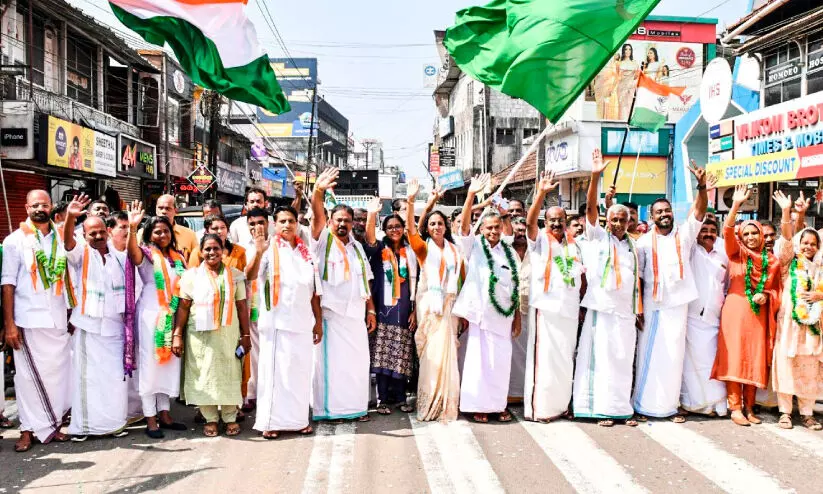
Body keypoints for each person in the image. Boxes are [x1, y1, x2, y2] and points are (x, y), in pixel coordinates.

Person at [632, 161, 708, 422]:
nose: (664, 214)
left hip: (678, 306)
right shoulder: (642, 243)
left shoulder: (684, 235)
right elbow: (638, 279)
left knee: (674, 358)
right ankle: (643, 405)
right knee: (649, 355)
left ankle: (670, 406)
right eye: (659, 212)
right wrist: (638, 308)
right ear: (651, 217)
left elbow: (699, 212)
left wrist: (702, 186)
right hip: (653, 307)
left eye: (667, 210)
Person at [573, 150, 642, 427]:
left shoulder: (634, 245)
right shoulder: (599, 238)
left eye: (622, 220)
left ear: (629, 222)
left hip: (625, 313)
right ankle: (600, 409)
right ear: (607, 221)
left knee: (623, 361)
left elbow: (638, 281)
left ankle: (620, 409)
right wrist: (595, 176)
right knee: (601, 361)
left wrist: (638, 309)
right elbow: (591, 209)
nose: (618, 223)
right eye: (613, 219)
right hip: (602, 310)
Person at [2, 190, 72, 452]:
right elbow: (7, 284)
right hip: (28, 319)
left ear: (51, 206)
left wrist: (70, 314)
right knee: (26, 378)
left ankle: (51, 427)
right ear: (26, 207)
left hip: (56, 318)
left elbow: (68, 279)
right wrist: (9, 324)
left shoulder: (62, 238)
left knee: (56, 375)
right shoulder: (15, 240)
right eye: (35, 205)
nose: (40, 208)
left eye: (44, 204)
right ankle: (27, 430)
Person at [712, 186, 784, 427]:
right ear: (741, 238)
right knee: (735, 358)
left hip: (758, 314)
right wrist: (735, 205)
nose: (752, 237)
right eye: (747, 234)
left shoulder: (771, 261)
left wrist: (766, 293)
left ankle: (750, 407)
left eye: (756, 233)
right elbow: (728, 229)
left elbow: (777, 289)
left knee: (754, 357)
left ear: (762, 236)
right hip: (735, 311)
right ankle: (735, 407)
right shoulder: (735, 253)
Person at [453, 173, 522, 423]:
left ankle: (498, 405)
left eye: (497, 228)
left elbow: (513, 287)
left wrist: (516, 319)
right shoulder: (474, 247)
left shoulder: (509, 253)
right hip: (481, 317)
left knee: (501, 364)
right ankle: (477, 406)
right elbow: (463, 227)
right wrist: (471, 195)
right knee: (479, 363)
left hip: (503, 319)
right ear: (482, 229)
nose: (493, 232)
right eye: (489, 228)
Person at [310, 168, 376, 422]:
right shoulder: (322, 240)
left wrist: (370, 310)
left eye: (346, 221)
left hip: (355, 316)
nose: (342, 224)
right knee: (332, 366)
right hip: (331, 316)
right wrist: (318, 190)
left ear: (352, 223)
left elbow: (366, 281)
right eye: (337, 220)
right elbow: (316, 215)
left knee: (357, 364)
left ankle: (356, 408)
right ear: (330, 222)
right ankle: (330, 411)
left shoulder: (357, 247)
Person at [61, 194, 129, 441]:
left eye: (101, 232)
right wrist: (71, 216)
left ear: (108, 232)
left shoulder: (119, 258)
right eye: (92, 234)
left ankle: (113, 424)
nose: (98, 237)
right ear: (85, 235)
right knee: (87, 380)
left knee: (113, 380)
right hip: (89, 326)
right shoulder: (81, 256)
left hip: (114, 329)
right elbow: (67, 242)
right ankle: (85, 428)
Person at [253, 206, 322, 439]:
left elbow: (314, 292)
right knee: (275, 375)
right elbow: (251, 275)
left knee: (299, 373)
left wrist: (318, 322)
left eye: (291, 221)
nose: (287, 225)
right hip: (276, 324)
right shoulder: (269, 250)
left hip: (302, 323)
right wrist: (258, 251)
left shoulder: (306, 253)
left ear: (297, 224)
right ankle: (270, 421)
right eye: (282, 221)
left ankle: (299, 420)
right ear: (274, 223)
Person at [172, 234, 250, 437]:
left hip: (228, 333)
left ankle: (230, 417)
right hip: (200, 336)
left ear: (223, 250)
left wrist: (246, 335)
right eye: (207, 249)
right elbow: (183, 307)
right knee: (204, 372)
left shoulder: (235, 275)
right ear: (200, 251)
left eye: (216, 248)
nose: (212, 252)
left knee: (229, 371)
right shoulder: (191, 276)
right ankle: (210, 418)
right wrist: (177, 334)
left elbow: (241, 306)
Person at [523, 171, 584, 422]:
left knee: (565, 361)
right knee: (545, 361)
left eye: (560, 220)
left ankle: (561, 406)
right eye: (551, 220)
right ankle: (543, 409)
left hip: (568, 311)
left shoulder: (574, 245)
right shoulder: (539, 242)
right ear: (545, 223)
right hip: (545, 311)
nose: (556, 224)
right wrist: (541, 194)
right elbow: (528, 224)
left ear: (566, 220)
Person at [125, 202, 188, 438]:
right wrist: (133, 228)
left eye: (166, 231)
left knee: (168, 366)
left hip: (170, 315)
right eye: (157, 231)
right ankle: (150, 418)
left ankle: (165, 414)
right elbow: (132, 253)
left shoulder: (177, 257)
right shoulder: (146, 254)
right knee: (150, 366)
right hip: (150, 316)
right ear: (149, 234)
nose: (162, 235)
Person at [405, 180, 464, 422]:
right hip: (430, 306)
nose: (437, 226)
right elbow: (410, 230)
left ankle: (446, 403)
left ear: (446, 226)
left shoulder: (454, 249)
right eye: (432, 223)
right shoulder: (423, 249)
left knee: (448, 357)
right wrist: (411, 202)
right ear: (427, 228)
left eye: (440, 223)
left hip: (450, 307)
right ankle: (430, 401)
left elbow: (461, 280)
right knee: (432, 356)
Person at [771, 196, 823, 430]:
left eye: (814, 244)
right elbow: (786, 241)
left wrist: (820, 296)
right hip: (789, 326)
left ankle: (807, 412)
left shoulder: (820, 269)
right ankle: (785, 412)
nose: (808, 247)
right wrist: (789, 213)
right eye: (805, 243)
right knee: (786, 365)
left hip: (813, 329)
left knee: (810, 368)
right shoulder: (788, 263)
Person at [365, 197, 417, 414]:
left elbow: (417, 280)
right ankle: (383, 400)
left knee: (402, 356)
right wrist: (372, 215)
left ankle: (400, 398)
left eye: (398, 226)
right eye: (390, 227)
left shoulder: (411, 251)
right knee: (383, 356)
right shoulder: (379, 249)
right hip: (384, 311)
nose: (394, 230)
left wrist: (415, 310)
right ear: (384, 230)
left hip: (404, 310)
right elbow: (369, 238)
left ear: (404, 228)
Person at [680, 218, 728, 417]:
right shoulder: (691, 250)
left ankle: (717, 404)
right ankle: (697, 404)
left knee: (711, 363)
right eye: (704, 230)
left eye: (712, 230)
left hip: (715, 317)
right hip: (693, 316)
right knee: (693, 365)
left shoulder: (723, 254)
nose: (708, 233)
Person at [239, 207, 271, 411]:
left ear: (268, 224)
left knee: (271, 350)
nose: (257, 227)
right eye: (252, 224)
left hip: (274, 306)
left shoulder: (278, 243)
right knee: (254, 352)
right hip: (252, 306)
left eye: (261, 223)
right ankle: (252, 393)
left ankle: (269, 393)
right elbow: (248, 276)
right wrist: (258, 251)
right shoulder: (243, 248)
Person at [507, 217, 531, 404]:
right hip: (507, 310)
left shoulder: (537, 251)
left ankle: (525, 392)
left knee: (528, 352)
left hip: (531, 310)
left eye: (524, 231)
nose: (520, 234)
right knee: (510, 353)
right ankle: (509, 393)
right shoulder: (504, 252)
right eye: (517, 231)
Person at [151, 194, 198, 260]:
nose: (163, 212)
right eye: (160, 208)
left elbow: (196, 261)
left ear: (175, 211)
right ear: (156, 209)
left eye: (168, 208)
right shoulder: (144, 232)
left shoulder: (189, 234)